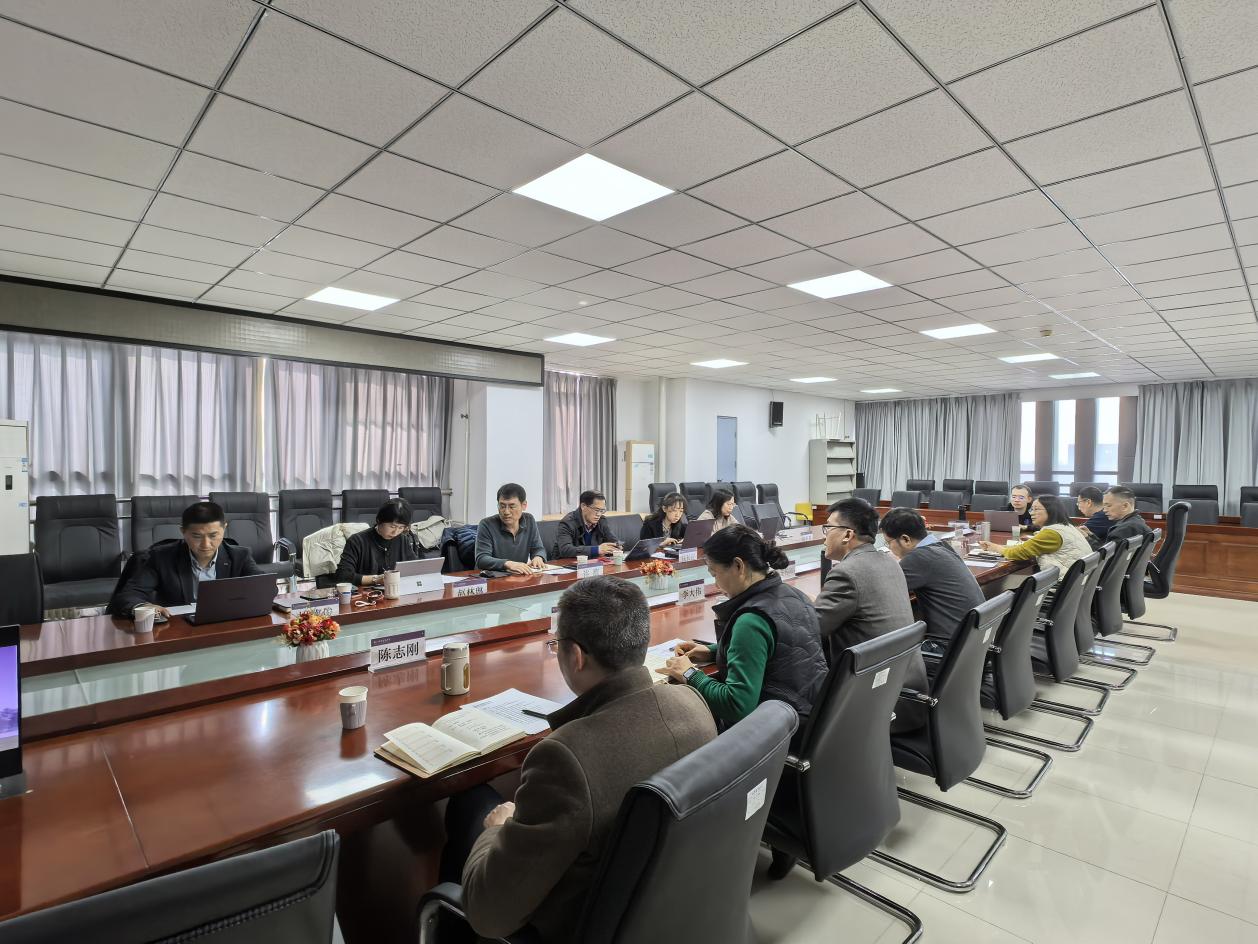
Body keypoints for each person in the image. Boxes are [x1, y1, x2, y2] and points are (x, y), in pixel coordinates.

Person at [445, 576, 716, 943]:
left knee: (470, 803)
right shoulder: (692, 702)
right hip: (670, 912)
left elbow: (489, 915)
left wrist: (496, 830)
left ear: (575, 655)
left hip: (577, 925)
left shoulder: (565, 758)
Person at [658, 524, 827, 736]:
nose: (716, 584)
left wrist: (690, 673)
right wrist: (713, 650)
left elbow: (736, 705)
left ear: (738, 566)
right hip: (809, 718)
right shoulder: (796, 595)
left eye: (715, 573)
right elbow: (780, 647)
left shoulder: (751, 621)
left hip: (777, 734)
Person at [812, 498, 927, 733]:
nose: (824, 536)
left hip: (877, 702)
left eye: (828, 528)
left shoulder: (847, 573)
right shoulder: (891, 563)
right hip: (908, 692)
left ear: (847, 534)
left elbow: (812, 628)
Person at [109, 500, 262, 618]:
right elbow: (127, 596)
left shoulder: (240, 556)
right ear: (183, 531)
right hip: (178, 627)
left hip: (224, 624)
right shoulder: (161, 557)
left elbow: (264, 586)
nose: (206, 544)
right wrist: (143, 606)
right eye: (197, 536)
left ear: (224, 528)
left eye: (213, 535)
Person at [879, 508, 985, 647]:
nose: (889, 548)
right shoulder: (942, 546)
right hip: (972, 644)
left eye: (888, 543)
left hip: (948, 647)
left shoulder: (918, 558)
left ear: (905, 539)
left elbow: (880, 590)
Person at [981, 495, 1092, 578]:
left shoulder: (1052, 533)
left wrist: (995, 547)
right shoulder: (1066, 526)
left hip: (1061, 587)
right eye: (1031, 509)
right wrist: (1000, 547)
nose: (1031, 513)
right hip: (1076, 584)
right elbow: (1025, 548)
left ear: (1051, 511)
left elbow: (1017, 553)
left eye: (1036, 509)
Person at [334, 498, 420, 587]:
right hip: (366, 593)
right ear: (379, 520)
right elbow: (342, 576)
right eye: (392, 526)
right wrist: (376, 579)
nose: (395, 532)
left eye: (401, 527)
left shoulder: (402, 540)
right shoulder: (357, 541)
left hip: (397, 591)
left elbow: (415, 567)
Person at [475, 483, 547, 574]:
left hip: (518, 576)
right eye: (502, 506)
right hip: (490, 578)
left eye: (512, 506)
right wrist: (508, 564)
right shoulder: (486, 524)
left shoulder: (529, 520)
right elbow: (481, 559)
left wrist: (538, 557)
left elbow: (538, 548)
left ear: (524, 505)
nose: (506, 512)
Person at [553, 490, 619, 559]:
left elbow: (613, 540)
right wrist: (597, 550)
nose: (599, 514)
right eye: (596, 510)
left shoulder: (601, 521)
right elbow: (565, 550)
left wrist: (617, 546)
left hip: (591, 562)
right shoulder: (567, 523)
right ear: (583, 506)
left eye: (602, 510)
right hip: (565, 563)